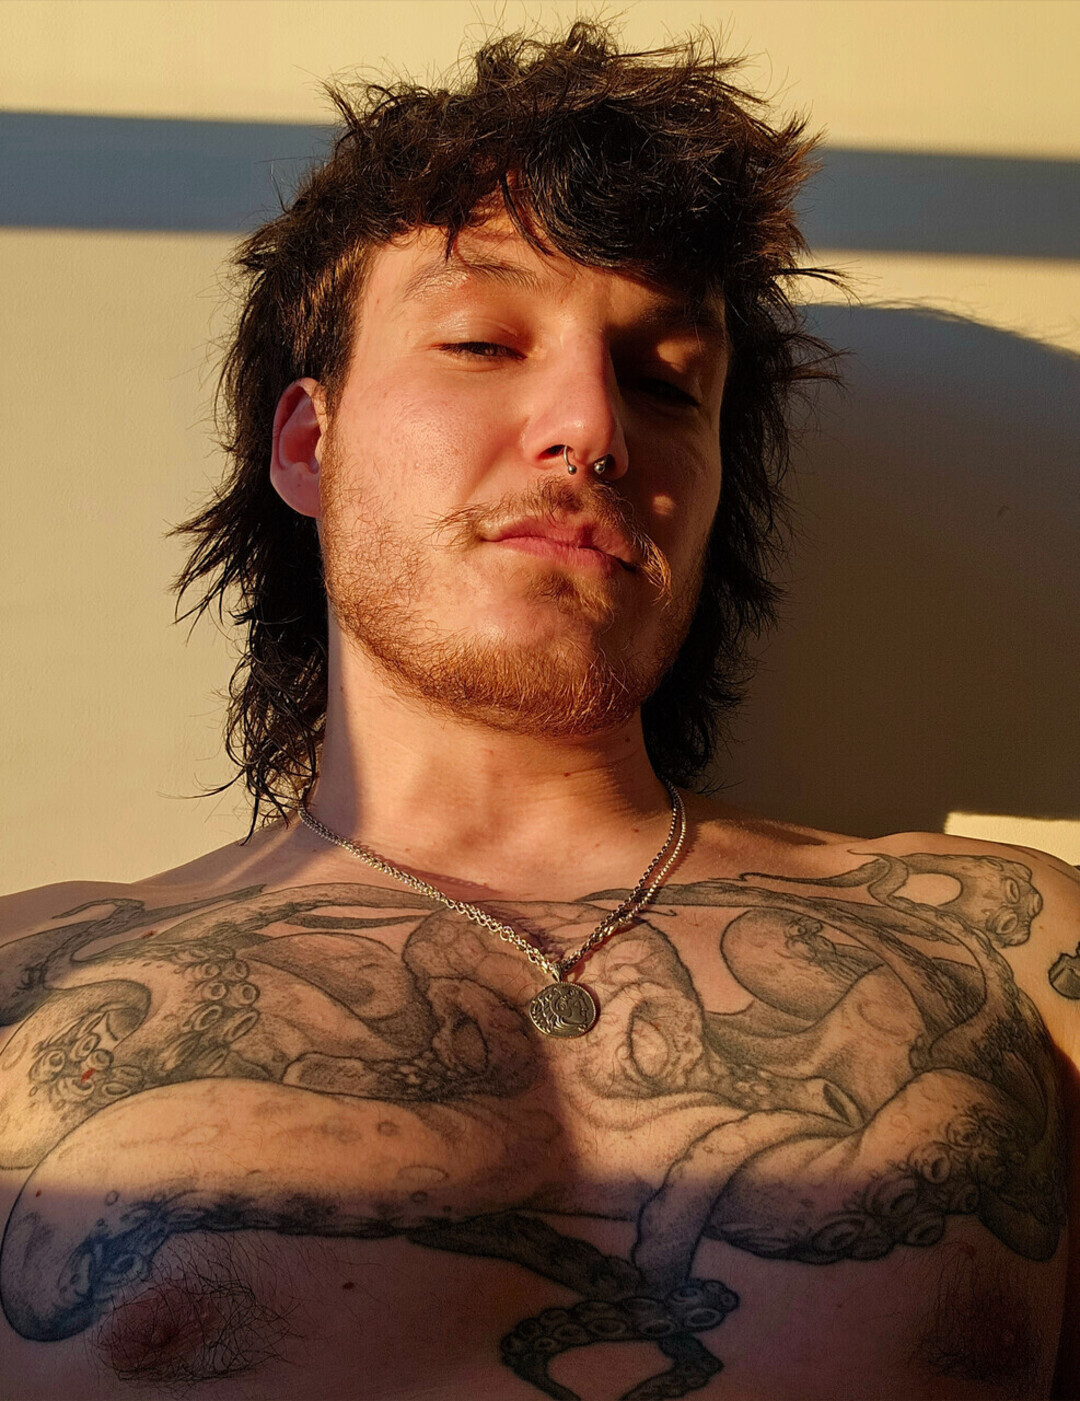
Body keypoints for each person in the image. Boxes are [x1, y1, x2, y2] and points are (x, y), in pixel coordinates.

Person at [1, 19, 1078, 1401]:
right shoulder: (32, 992)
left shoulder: (1017, 953)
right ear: (311, 444)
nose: (593, 429)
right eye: (480, 342)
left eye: (664, 381)